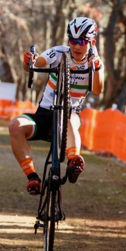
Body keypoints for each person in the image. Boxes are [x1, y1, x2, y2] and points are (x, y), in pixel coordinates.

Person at [8, 17, 104, 195]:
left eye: (82, 42)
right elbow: (36, 65)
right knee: (15, 125)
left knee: (70, 118)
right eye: (73, 41)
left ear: (92, 42)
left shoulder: (95, 63)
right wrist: (29, 60)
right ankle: (32, 177)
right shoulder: (59, 53)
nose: (76, 46)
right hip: (45, 114)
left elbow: (98, 89)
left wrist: (96, 68)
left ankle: (74, 162)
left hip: (70, 116)